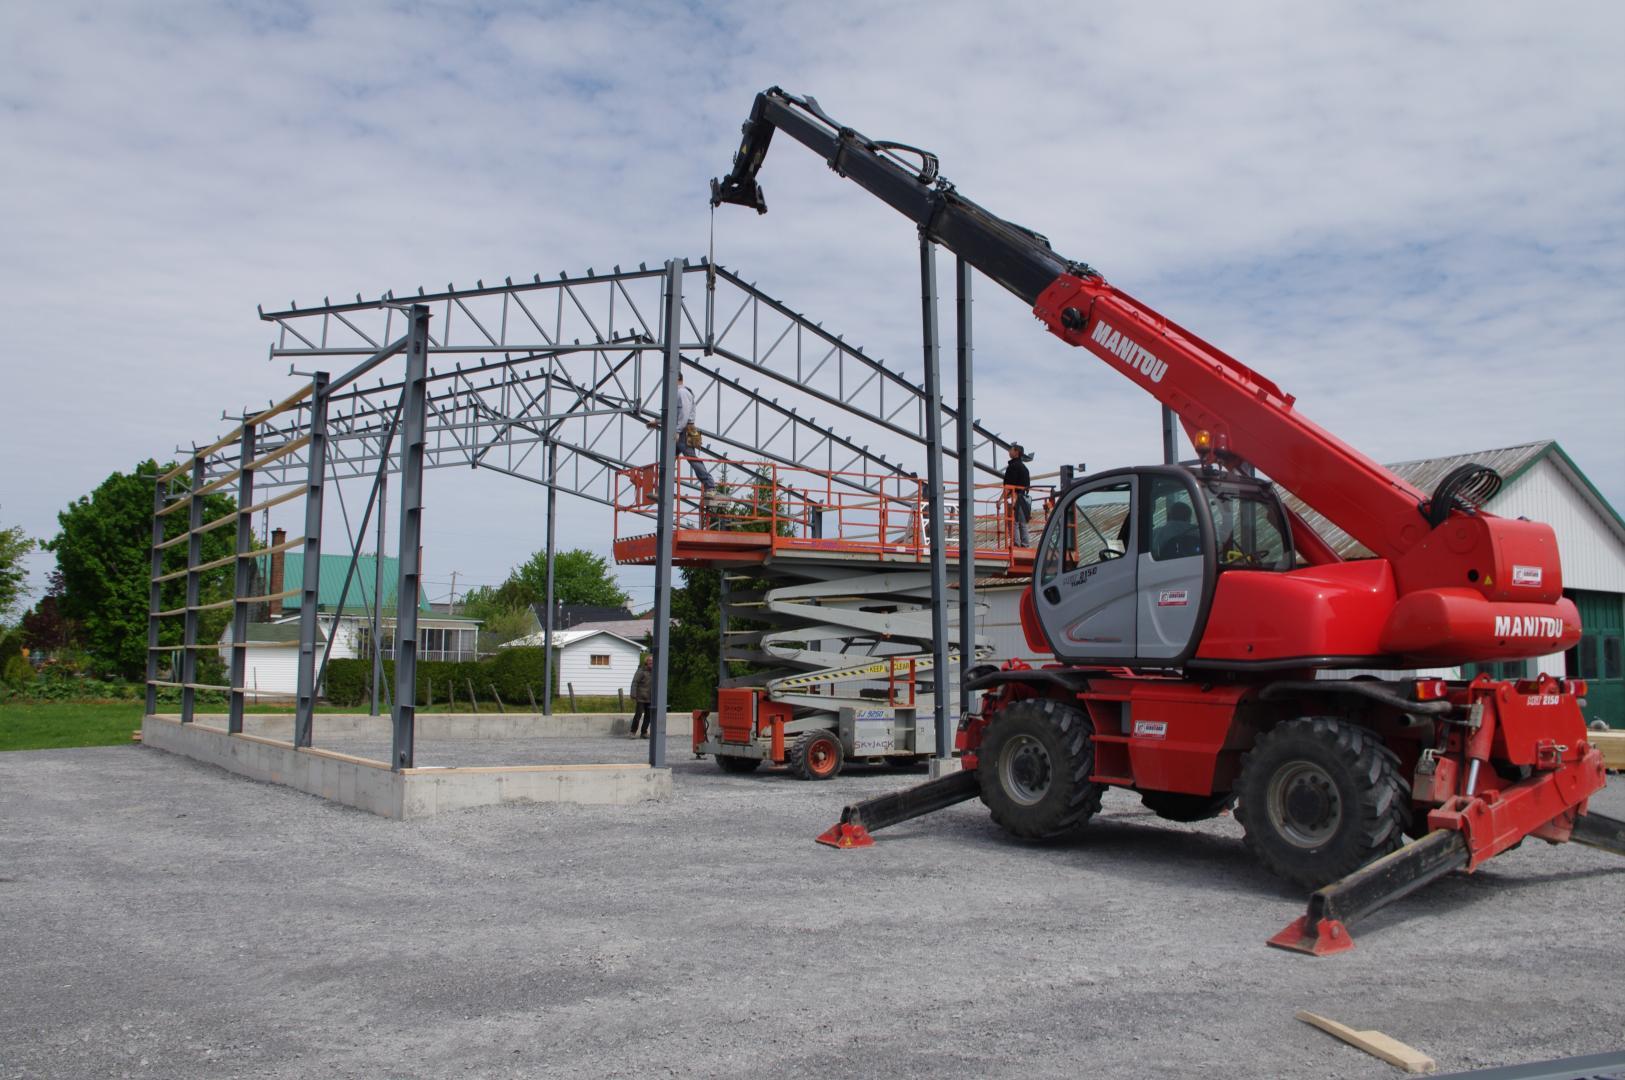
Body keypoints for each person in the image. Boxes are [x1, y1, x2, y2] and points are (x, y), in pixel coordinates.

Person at [648, 372, 715, 492]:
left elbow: (684, 414)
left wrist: (678, 431)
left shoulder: (682, 393)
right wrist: (657, 421)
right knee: (668, 461)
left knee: (692, 459)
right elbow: (674, 415)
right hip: (681, 430)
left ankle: (710, 485)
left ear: (677, 379)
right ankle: (660, 489)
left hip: (684, 431)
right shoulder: (678, 393)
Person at [1004, 443, 1033, 547]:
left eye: (1011, 450)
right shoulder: (1025, 468)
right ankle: (1025, 544)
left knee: (1013, 521)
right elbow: (1027, 485)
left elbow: (1009, 485)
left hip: (1014, 497)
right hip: (1024, 499)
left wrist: (1001, 500)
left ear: (1016, 452)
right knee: (1023, 522)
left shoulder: (1013, 467)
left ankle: (1016, 544)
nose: (1009, 451)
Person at [628, 654, 653, 738]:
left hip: (650, 698)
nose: (651, 663)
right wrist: (633, 694)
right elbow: (635, 682)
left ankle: (644, 732)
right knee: (638, 715)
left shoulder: (655, 672)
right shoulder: (641, 671)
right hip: (641, 697)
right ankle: (633, 732)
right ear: (646, 662)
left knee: (648, 716)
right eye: (650, 662)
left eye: (653, 662)